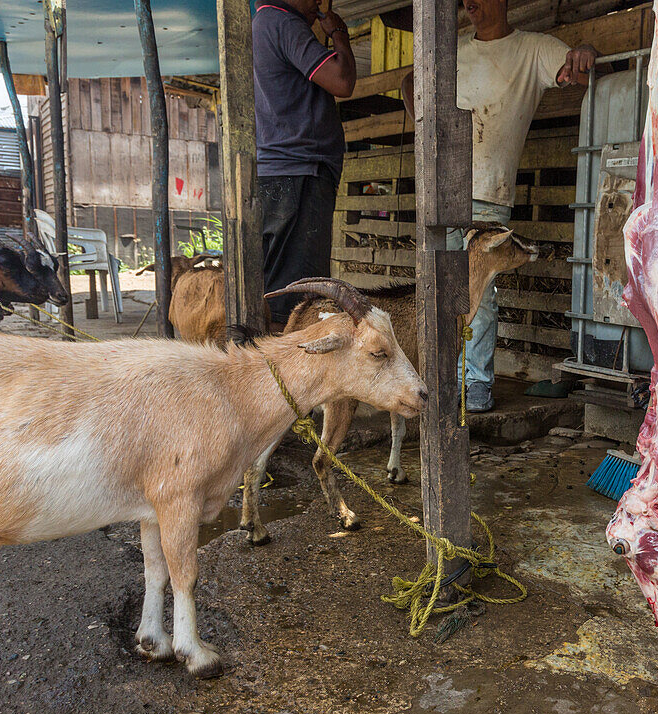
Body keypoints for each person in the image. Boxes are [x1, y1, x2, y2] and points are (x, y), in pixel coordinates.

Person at [402, 0, 596, 411]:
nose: (470, 3)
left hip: (489, 193)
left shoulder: (532, 49)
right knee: (440, 288)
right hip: (442, 189)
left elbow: (578, 64)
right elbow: (409, 80)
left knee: (480, 295)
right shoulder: (452, 51)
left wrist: (585, 56)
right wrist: (421, 123)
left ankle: (474, 383)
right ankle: (439, 378)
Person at [253, 0, 357, 330]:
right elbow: (342, 81)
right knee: (297, 300)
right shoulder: (285, 24)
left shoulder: (261, 23)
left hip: (280, 173)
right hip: (300, 173)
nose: (318, 4)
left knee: (279, 288)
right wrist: (338, 32)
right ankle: (282, 377)